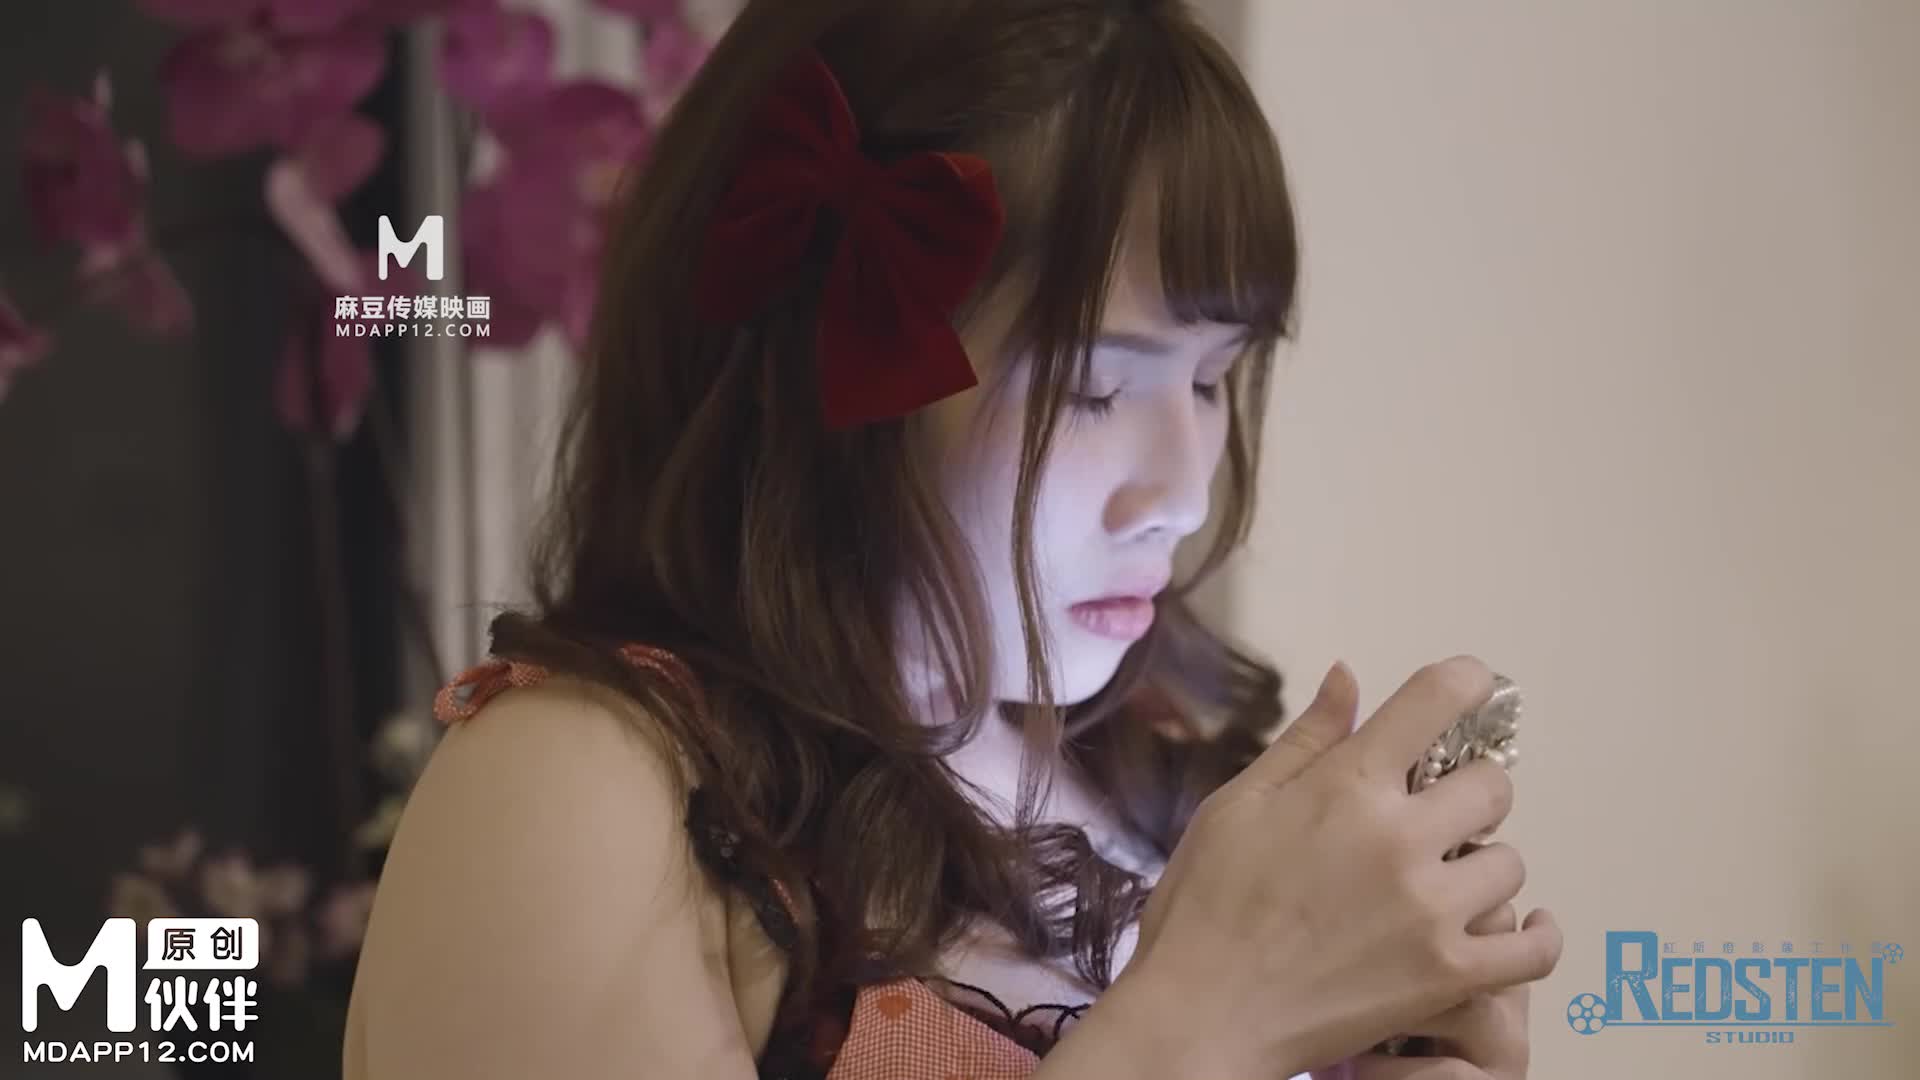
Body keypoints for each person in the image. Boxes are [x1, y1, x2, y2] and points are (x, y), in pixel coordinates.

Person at [341, 1, 1562, 1078]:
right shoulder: (583, 789)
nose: (1184, 494)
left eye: (1213, 381)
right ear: (828, 375)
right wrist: (1208, 1022)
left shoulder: (1155, 769)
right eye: (1093, 389)